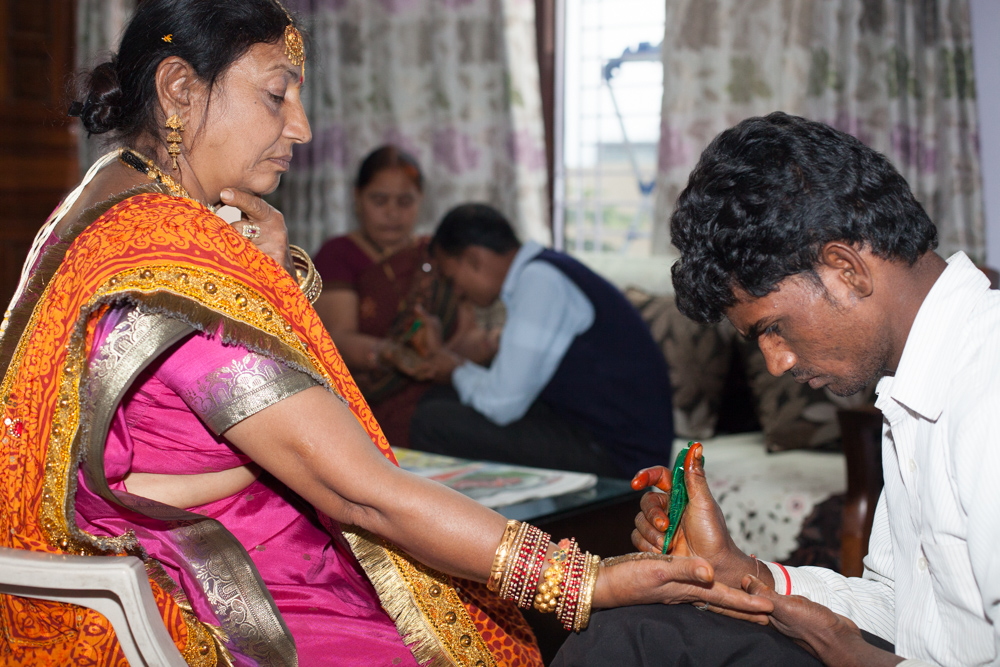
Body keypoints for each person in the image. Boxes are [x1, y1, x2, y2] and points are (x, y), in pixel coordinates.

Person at [0, 2, 773, 665]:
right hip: (224, 587)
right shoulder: (174, 255)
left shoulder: (101, 205)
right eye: (277, 95)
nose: (300, 126)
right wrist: (586, 581)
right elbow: (362, 491)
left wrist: (268, 280)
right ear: (179, 91)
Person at [554, 112, 1000, 667]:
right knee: (640, 626)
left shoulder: (988, 384)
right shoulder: (918, 385)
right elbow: (905, 612)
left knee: (631, 641)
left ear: (845, 268)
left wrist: (855, 658)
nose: (776, 361)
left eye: (772, 327)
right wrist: (743, 570)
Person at [409, 203, 675, 478]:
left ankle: (476, 520)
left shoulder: (540, 282)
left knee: (432, 422)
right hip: (592, 429)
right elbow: (506, 387)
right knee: (442, 399)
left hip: (622, 458)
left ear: (474, 259)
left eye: (453, 280)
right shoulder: (543, 272)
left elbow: (502, 406)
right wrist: (454, 368)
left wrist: (454, 370)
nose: (458, 292)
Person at [311, 147, 495, 448]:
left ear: (421, 200)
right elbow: (336, 339)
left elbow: (463, 339)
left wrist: (491, 343)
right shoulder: (339, 255)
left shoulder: (435, 255)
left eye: (405, 201)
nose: (392, 214)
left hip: (439, 395)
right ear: (358, 198)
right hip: (365, 405)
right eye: (379, 200)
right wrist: (390, 354)